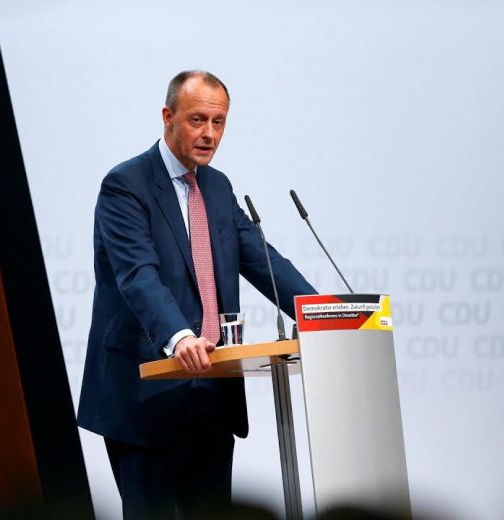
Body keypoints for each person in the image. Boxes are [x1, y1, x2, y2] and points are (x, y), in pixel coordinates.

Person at [77, 70, 316, 519]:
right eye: (197, 120)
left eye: (218, 122)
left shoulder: (217, 186)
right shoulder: (125, 185)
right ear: (168, 117)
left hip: (212, 394)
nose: (209, 134)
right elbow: (138, 275)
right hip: (146, 391)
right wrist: (180, 336)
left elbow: (264, 261)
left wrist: (321, 314)